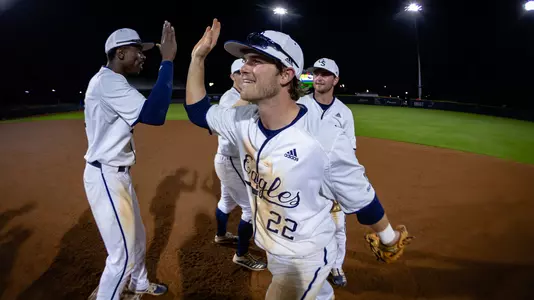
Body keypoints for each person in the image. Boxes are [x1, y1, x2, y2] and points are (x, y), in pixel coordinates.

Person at [184, 19, 410, 300]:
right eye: (245, 60)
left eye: (256, 61)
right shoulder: (241, 121)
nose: (243, 68)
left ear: (285, 75)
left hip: (307, 257)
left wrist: (389, 238)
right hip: (274, 249)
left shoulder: (324, 138)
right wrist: (198, 56)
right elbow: (197, 111)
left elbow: (363, 200)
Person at [83, 21, 176, 300]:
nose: (143, 55)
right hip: (106, 175)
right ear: (120, 53)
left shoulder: (108, 80)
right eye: (138, 50)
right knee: (120, 256)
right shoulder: (109, 81)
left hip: (117, 174)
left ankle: (138, 283)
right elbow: (155, 114)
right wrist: (168, 61)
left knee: (137, 237)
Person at [297, 58, 355, 287]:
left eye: (325, 74)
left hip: (332, 181)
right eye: (316, 74)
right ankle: (306, 263)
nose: (319, 77)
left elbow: (349, 150)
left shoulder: (344, 113)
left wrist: (341, 185)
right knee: (303, 224)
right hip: (302, 178)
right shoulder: (300, 104)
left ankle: (336, 265)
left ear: (336, 80)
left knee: (338, 226)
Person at [213, 58, 267, 271]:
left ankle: (220, 235)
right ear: (232, 76)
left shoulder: (248, 96)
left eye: (246, 72)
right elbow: (225, 121)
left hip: (231, 160)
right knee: (251, 209)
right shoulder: (230, 98)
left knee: (226, 203)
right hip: (233, 161)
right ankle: (242, 255)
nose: (243, 76)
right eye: (238, 73)